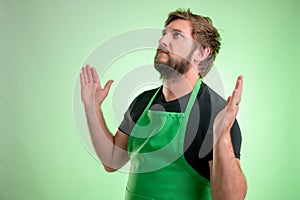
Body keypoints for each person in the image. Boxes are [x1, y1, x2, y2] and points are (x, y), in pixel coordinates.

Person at [80, 9, 247, 200]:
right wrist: (91, 107)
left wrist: (222, 137)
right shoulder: (143, 102)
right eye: (164, 34)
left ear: (201, 52)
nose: (163, 41)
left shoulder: (215, 114)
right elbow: (111, 160)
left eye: (177, 35)